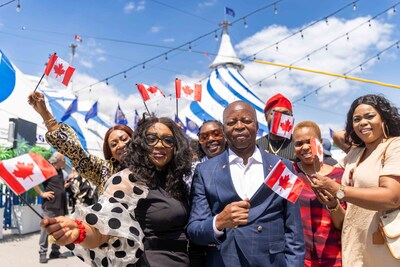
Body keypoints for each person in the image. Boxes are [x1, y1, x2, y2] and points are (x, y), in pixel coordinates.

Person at [40, 115, 193, 267]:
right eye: (152, 139)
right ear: (141, 144)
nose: (160, 145)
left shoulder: (178, 180)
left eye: (168, 140)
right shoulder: (123, 178)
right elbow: (104, 228)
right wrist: (80, 231)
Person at [187, 100, 305, 266]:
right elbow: (194, 230)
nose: (239, 126)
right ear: (224, 130)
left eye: (247, 121)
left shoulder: (283, 166)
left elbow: (294, 230)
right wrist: (219, 222)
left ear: (257, 126)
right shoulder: (205, 171)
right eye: (231, 122)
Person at [311, 94, 400, 266]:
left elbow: (392, 197)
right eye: (356, 119)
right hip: (356, 244)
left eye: (370, 116)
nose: (363, 122)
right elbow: (337, 138)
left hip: (384, 248)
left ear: (384, 118)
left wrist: (339, 190)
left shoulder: (395, 146)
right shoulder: (356, 152)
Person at [28, 91, 134, 194]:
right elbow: (74, 150)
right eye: (113, 145)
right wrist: (44, 112)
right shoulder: (104, 170)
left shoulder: (149, 165)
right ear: (110, 153)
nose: (121, 145)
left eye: (124, 139)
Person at [292, 121, 345, 267]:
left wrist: (333, 205)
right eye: (299, 143)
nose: (305, 147)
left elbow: (345, 225)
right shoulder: (289, 173)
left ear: (320, 143)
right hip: (299, 258)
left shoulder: (340, 176)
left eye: (310, 141)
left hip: (334, 257)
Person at [33, 152, 68, 264]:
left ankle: (55, 251)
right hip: (50, 206)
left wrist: (64, 187)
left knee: (58, 228)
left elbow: (57, 185)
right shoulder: (47, 170)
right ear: (57, 160)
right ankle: (42, 252)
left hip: (60, 204)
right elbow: (34, 182)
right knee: (46, 229)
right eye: (63, 159)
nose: (64, 161)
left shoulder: (60, 171)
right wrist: (42, 194)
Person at [256, 93, 296, 161]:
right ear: (266, 117)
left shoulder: (299, 145)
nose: (280, 118)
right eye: (275, 113)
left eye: (285, 114)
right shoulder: (256, 146)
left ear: (291, 117)